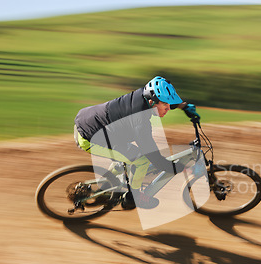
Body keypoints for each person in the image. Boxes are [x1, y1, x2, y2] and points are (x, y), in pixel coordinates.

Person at [73, 76, 200, 209]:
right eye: (165, 105)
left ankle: (108, 181)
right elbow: (154, 157)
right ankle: (134, 196)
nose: (168, 108)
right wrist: (176, 168)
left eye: (169, 104)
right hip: (90, 138)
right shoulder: (140, 121)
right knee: (142, 160)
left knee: (126, 155)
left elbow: (163, 100)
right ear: (151, 102)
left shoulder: (143, 96)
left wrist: (183, 106)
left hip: (89, 121)